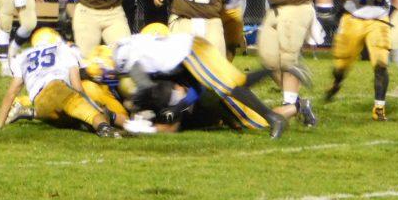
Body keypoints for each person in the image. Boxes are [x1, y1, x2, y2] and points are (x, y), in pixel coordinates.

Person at [111, 26, 292, 138]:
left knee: (227, 87)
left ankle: (273, 117)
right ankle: (271, 73)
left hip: (193, 51)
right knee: (234, 82)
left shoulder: (128, 57)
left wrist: (135, 108)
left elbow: (145, 86)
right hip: (194, 47)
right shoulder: (141, 48)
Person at [0, 28, 122, 137]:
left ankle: (28, 112)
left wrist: (0, 123)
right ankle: (105, 129)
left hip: (40, 104)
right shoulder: (63, 49)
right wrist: (92, 105)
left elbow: (11, 93)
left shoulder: (23, 57)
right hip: (58, 89)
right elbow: (77, 86)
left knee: (72, 121)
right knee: (94, 114)